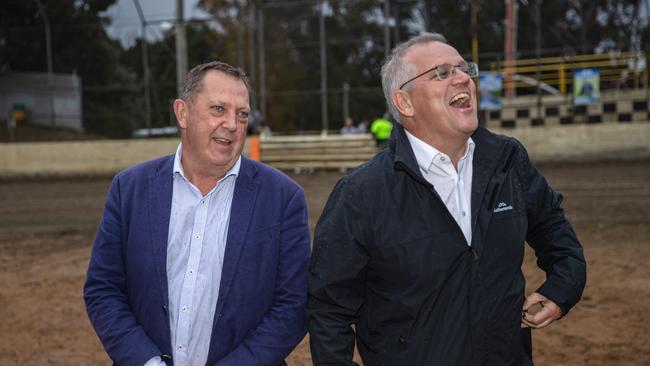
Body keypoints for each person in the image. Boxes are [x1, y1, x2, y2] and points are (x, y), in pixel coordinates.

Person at [308, 33, 586, 365]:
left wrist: (561, 291)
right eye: (441, 73)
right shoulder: (361, 193)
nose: (463, 78)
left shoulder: (508, 159)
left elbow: (556, 232)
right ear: (405, 103)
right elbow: (327, 309)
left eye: (464, 69)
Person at [84, 61, 311, 366]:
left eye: (241, 114)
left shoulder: (283, 198)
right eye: (218, 109)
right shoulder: (130, 189)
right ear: (183, 113)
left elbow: (293, 306)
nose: (232, 124)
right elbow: (104, 289)